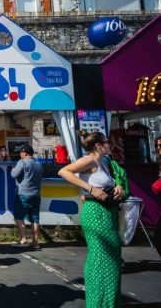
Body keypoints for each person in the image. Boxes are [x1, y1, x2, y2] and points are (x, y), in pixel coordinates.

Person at [58, 131, 125, 308]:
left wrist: (118, 186)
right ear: (98, 145)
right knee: (101, 257)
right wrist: (90, 189)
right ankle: (99, 303)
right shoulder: (89, 160)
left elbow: (109, 181)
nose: (110, 145)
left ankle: (109, 302)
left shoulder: (104, 162)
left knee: (111, 257)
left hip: (106, 212)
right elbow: (64, 171)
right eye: (107, 142)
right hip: (96, 213)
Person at [10, 144, 44, 249]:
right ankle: (35, 242)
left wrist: (13, 169)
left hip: (23, 194)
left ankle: (23, 239)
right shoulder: (39, 164)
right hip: (36, 195)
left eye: (20, 152)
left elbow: (14, 175)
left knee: (19, 217)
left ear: (25, 153)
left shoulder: (22, 162)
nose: (20, 154)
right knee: (35, 218)